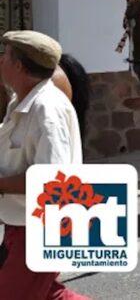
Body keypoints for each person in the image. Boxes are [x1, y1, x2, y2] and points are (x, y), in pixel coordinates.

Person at [0, 31, 90, 300]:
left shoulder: (47, 110)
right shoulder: (22, 102)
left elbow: (52, 180)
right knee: (50, 295)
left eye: (4, 55)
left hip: (39, 229)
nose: (0, 61)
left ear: (18, 65)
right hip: (21, 226)